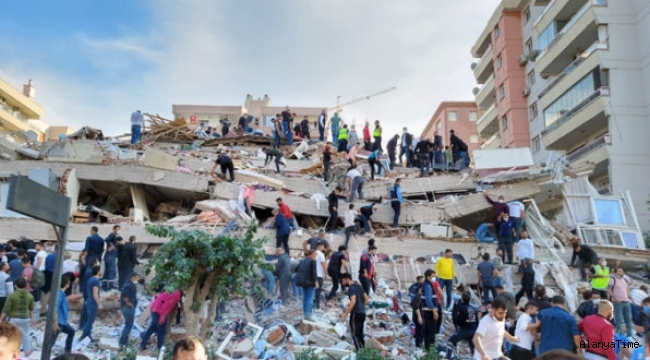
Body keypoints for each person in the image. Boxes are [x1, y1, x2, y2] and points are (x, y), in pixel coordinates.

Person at [0, 277, 33, 357]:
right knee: (25, 334)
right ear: (25, 286)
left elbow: (6, 309)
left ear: (15, 285)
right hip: (25, 318)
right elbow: (31, 309)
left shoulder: (12, 296)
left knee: (12, 335)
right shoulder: (30, 296)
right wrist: (31, 319)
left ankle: (12, 349)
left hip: (14, 318)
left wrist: (1, 319)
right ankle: (27, 352)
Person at [340, 273, 369, 351]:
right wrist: (360, 306)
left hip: (356, 314)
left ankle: (360, 353)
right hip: (363, 313)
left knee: (355, 335)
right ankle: (364, 352)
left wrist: (346, 313)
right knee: (360, 335)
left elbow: (353, 301)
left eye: (343, 281)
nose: (343, 283)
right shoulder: (359, 287)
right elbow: (367, 299)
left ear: (347, 279)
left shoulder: (351, 288)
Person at [446, 292, 479, 359]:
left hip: (464, 329)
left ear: (462, 299)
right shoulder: (473, 309)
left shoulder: (461, 308)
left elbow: (459, 321)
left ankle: (447, 357)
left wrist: (458, 325)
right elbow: (477, 321)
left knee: (450, 341)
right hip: (473, 330)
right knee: (473, 348)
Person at [53, 276, 77, 354]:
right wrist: (55, 324)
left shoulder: (61, 293)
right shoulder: (60, 294)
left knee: (72, 332)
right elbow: (55, 310)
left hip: (63, 322)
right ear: (67, 284)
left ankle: (68, 351)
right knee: (51, 342)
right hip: (59, 322)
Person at [608, 267, 635, 337]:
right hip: (618, 302)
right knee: (619, 319)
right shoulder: (613, 280)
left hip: (626, 302)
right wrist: (616, 299)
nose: (621, 272)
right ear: (615, 273)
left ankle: (630, 334)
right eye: (619, 271)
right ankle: (619, 334)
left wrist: (631, 299)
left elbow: (627, 291)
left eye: (622, 271)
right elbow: (608, 290)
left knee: (628, 318)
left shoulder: (624, 280)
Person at [79, 265, 102, 343]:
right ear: (98, 272)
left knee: (89, 320)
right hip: (92, 303)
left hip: (88, 301)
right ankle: (84, 336)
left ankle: (87, 335)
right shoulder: (96, 281)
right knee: (90, 321)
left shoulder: (90, 279)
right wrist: (99, 304)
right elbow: (95, 294)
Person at [295, 250, 317, 321]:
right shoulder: (313, 261)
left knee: (305, 298)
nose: (315, 256)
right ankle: (308, 315)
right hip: (310, 282)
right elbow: (314, 272)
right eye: (315, 255)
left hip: (302, 282)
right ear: (311, 255)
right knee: (310, 298)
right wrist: (315, 281)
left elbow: (296, 269)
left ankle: (305, 313)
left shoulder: (302, 261)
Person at [119, 272, 140, 348]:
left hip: (128, 307)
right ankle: (122, 342)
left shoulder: (130, 284)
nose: (138, 279)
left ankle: (125, 341)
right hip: (128, 308)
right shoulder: (128, 285)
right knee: (128, 325)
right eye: (137, 277)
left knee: (128, 324)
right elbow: (124, 295)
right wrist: (129, 303)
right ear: (133, 277)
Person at [422, 269, 441, 350]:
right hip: (429, 312)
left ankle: (427, 348)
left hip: (427, 311)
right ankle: (431, 350)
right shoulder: (428, 286)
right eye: (433, 276)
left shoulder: (427, 285)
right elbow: (429, 300)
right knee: (431, 332)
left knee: (427, 331)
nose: (434, 278)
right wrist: (434, 311)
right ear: (428, 276)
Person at [102, 225, 120, 291]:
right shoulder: (112, 234)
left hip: (110, 256)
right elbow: (106, 239)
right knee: (112, 271)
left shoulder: (114, 237)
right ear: (114, 229)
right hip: (110, 256)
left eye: (119, 229)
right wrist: (111, 245)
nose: (118, 231)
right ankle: (110, 287)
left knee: (107, 271)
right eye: (117, 229)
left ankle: (105, 286)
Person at [313, 243, 327, 310]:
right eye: (323, 246)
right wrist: (326, 274)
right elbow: (323, 265)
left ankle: (312, 305)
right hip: (319, 275)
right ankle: (317, 307)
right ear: (320, 246)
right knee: (318, 292)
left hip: (313, 275)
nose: (324, 247)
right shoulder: (321, 254)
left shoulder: (313, 253)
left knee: (313, 291)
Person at [411, 283, 424, 348]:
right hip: (418, 317)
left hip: (420, 317)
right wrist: (419, 317)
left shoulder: (421, 296)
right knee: (419, 332)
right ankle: (418, 346)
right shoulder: (417, 296)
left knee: (421, 332)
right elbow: (416, 307)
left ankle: (419, 345)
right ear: (420, 289)